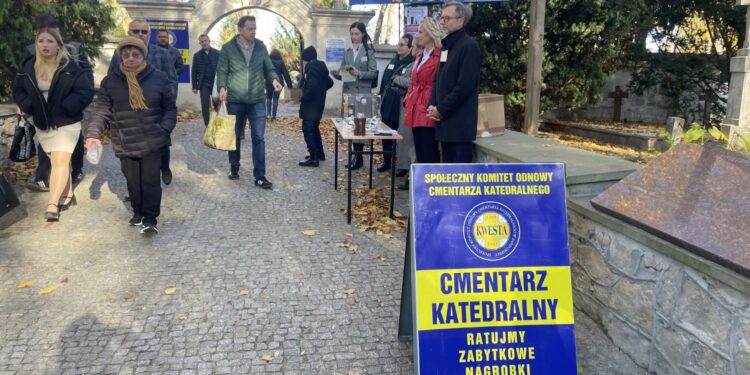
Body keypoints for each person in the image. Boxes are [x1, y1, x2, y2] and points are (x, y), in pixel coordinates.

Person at [86, 37, 176, 234]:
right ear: (121, 56)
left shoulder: (158, 78)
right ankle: (138, 211)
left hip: (153, 139)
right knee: (133, 181)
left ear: (143, 56)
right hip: (125, 140)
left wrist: (164, 129)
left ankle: (150, 218)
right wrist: (93, 133)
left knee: (150, 181)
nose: (131, 58)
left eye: (135, 54)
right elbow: (102, 110)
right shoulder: (110, 81)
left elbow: (170, 108)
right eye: (126, 54)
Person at [13, 28, 94, 221]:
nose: (45, 45)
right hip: (42, 122)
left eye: (50, 41)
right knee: (56, 161)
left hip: (67, 122)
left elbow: (85, 92)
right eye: (41, 41)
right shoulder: (28, 67)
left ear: (58, 44)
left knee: (60, 161)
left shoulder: (71, 66)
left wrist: (68, 106)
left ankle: (52, 204)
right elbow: (18, 90)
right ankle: (66, 195)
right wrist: (27, 105)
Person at [22, 15, 91, 192]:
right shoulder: (31, 51)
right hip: (42, 108)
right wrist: (25, 103)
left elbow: (86, 76)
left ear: (59, 31)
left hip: (68, 106)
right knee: (45, 142)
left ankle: (76, 170)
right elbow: (22, 78)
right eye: (40, 34)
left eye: (53, 32)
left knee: (73, 140)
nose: (45, 41)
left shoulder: (74, 49)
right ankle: (45, 175)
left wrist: (74, 103)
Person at [216, 15, 283, 188]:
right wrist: (222, 87)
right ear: (240, 29)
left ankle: (260, 175)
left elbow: (268, 67)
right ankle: (234, 166)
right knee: (235, 135)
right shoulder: (228, 48)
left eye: (255, 28)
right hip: (235, 100)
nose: (253, 31)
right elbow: (222, 71)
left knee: (258, 137)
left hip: (257, 99)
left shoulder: (260, 46)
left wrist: (274, 79)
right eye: (249, 29)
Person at [109, 20, 177, 186]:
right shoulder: (119, 55)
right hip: (129, 115)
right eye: (135, 31)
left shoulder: (162, 54)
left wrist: (167, 114)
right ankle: (137, 189)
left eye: (144, 32)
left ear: (149, 34)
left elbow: (172, 82)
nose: (140, 34)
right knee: (132, 156)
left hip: (156, 113)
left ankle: (164, 168)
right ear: (129, 32)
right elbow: (111, 81)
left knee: (161, 146)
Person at [428, 1, 481, 163]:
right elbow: (438, 79)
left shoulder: (469, 46)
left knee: (459, 179)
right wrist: (432, 104)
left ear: (460, 21)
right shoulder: (447, 46)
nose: (442, 22)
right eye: (442, 18)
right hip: (444, 124)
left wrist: (441, 109)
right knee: (447, 176)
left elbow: (464, 86)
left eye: (447, 18)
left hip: (459, 126)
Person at [330, 22, 378, 171]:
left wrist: (360, 73)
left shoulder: (368, 51)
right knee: (351, 125)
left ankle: (359, 157)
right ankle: (354, 155)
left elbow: (373, 73)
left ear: (363, 34)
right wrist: (337, 74)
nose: (354, 37)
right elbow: (343, 74)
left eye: (356, 34)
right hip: (349, 92)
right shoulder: (347, 52)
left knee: (361, 127)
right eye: (352, 34)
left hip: (363, 93)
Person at [405, 18, 444, 169]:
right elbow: (413, 82)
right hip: (416, 106)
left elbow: (438, 82)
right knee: (420, 152)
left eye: (421, 32)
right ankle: (422, 188)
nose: (417, 35)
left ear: (430, 33)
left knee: (429, 152)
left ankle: (431, 187)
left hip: (428, 107)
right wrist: (408, 100)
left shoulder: (440, 55)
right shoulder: (421, 55)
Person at [377, 34, 415, 173]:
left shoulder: (411, 62)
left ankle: (402, 165)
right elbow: (384, 81)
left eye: (402, 45)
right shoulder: (393, 61)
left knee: (401, 136)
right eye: (398, 44)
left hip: (399, 104)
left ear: (410, 48)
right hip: (387, 103)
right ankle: (387, 160)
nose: (398, 47)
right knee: (385, 134)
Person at [391, 42, 421, 189]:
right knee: (407, 144)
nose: (412, 49)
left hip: (417, 109)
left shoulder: (417, 63)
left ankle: (412, 178)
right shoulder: (412, 63)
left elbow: (414, 83)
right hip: (408, 106)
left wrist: (397, 79)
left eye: (414, 46)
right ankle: (408, 174)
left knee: (413, 146)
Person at [298, 46, 334, 168]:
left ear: (306, 59)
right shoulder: (320, 67)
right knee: (314, 129)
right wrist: (321, 92)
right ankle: (319, 153)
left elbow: (312, 88)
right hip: (318, 104)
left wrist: (304, 98)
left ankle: (313, 158)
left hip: (310, 106)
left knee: (307, 129)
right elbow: (330, 82)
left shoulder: (312, 68)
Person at [191, 34, 220, 126]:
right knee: (205, 105)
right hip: (204, 84)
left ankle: (217, 124)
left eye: (205, 41)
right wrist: (194, 86)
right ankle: (207, 125)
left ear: (209, 41)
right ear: (200, 43)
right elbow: (194, 72)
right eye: (202, 41)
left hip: (216, 83)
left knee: (217, 104)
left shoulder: (217, 53)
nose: (204, 43)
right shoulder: (197, 55)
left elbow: (223, 69)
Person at [266, 49, 293, 121]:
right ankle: (274, 116)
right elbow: (285, 73)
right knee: (275, 99)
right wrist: (289, 84)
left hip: (269, 81)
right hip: (279, 82)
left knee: (268, 98)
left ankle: (268, 114)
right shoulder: (281, 62)